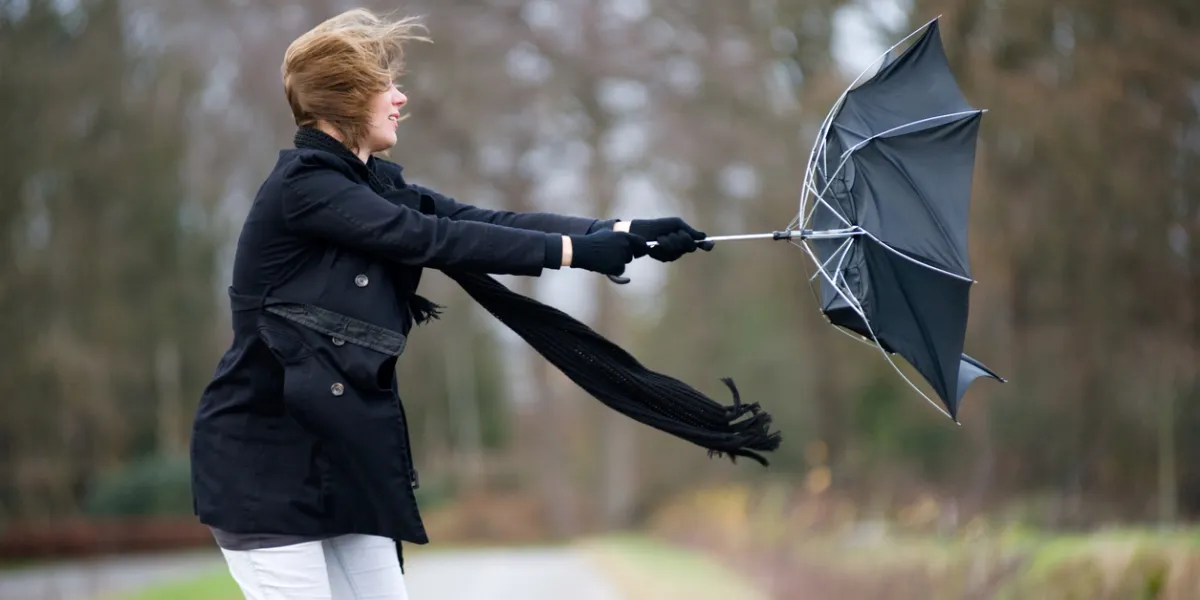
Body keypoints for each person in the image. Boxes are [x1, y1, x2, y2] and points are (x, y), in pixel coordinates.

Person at [188, 8, 717, 600]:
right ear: (348, 98)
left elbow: (477, 220)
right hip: (264, 467)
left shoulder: (371, 183)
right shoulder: (304, 188)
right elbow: (431, 240)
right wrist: (576, 253)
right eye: (386, 86)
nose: (400, 98)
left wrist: (623, 229)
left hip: (340, 462)